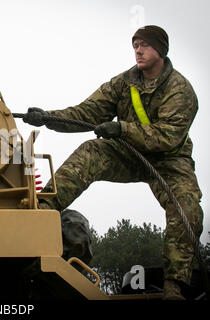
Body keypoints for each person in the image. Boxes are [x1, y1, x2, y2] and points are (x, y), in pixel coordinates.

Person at [22, 25, 203, 300]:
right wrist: (48, 117)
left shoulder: (181, 90)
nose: (138, 51)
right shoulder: (123, 82)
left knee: (187, 208)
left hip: (170, 161)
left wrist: (122, 130)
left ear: (161, 50)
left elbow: (168, 136)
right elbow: (87, 112)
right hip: (130, 154)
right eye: (135, 45)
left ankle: (174, 286)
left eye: (144, 45)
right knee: (92, 150)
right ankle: (44, 208)